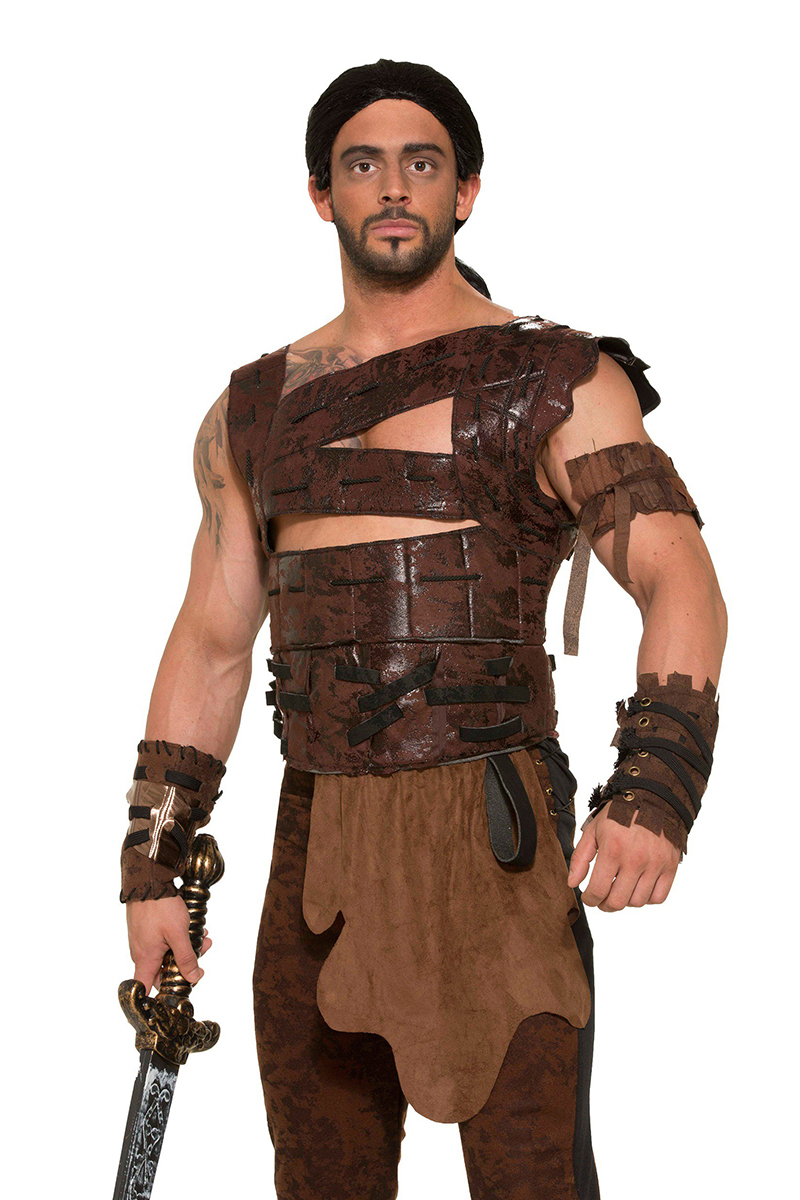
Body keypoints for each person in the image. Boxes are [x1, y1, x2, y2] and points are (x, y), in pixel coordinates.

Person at [121, 58, 726, 1200]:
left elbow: (676, 574)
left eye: (421, 162)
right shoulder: (253, 412)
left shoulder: (555, 380)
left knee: (534, 1182)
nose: (392, 187)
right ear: (321, 194)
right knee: (320, 1180)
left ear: (466, 190)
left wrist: (656, 783)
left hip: (496, 842)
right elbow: (211, 642)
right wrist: (153, 861)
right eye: (362, 164)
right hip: (316, 847)